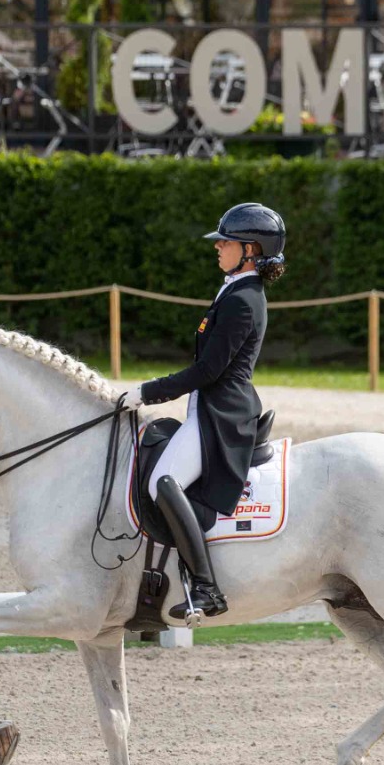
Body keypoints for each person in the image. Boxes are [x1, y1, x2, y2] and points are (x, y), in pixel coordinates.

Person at [120, 202, 285, 622]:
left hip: (222, 412)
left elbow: (208, 370)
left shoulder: (244, 299)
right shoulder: (234, 288)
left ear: (250, 250)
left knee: (163, 481)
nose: (218, 248)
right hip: (208, 406)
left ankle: (206, 588)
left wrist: (147, 392)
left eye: (226, 242)